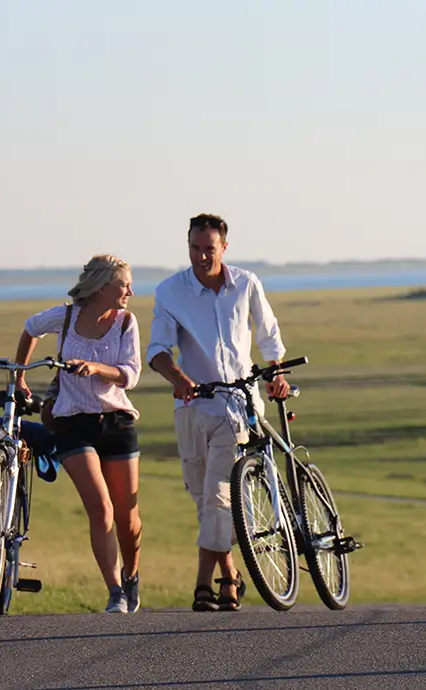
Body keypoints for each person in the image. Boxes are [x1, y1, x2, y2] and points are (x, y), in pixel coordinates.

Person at [147, 213, 290, 612]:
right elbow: (157, 350)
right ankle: (230, 575)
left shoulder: (246, 284)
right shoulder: (169, 291)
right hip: (192, 407)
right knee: (203, 498)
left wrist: (275, 373)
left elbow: (268, 334)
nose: (200, 256)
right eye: (194, 248)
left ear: (224, 248)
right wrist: (176, 377)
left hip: (238, 407)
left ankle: (202, 585)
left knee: (218, 496)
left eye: (209, 249)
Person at [14, 255, 143, 614]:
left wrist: (97, 368)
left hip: (116, 422)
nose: (130, 291)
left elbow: (131, 374)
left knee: (127, 518)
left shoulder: (125, 322)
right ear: (103, 287)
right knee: (100, 509)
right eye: (124, 285)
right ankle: (115, 590)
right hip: (72, 422)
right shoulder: (67, 316)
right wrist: (20, 377)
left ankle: (132, 575)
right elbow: (31, 328)